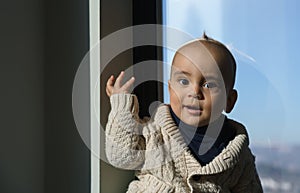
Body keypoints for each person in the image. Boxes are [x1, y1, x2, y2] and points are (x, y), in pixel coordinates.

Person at [105, 33, 263, 193]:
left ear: (229, 100)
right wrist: (121, 105)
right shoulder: (154, 131)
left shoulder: (238, 153)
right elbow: (121, 156)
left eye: (209, 84)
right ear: (170, 89)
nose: (194, 92)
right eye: (183, 81)